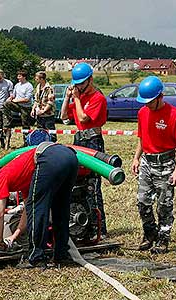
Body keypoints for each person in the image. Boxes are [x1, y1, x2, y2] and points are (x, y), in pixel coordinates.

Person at [0, 143, 78, 268]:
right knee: (60, 208)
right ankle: (61, 255)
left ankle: (36, 257)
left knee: (39, 209)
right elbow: (27, 211)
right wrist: (15, 235)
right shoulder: (22, 177)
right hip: (71, 157)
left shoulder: (0, 177)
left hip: (48, 158)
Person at [131, 76, 176, 254]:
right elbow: (142, 137)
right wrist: (136, 158)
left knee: (164, 204)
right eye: (145, 102)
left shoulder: (175, 115)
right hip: (147, 162)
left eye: (150, 101)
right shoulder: (142, 113)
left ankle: (163, 239)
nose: (147, 105)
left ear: (160, 97)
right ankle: (149, 234)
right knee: (142, 201)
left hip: (165, 163)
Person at [61, 62, 108, 236]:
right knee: (78, 183)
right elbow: (64, 116)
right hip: (79, 140)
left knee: (93, 186)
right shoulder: (79, 97)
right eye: (76, 84)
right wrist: (68, 98)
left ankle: (99, 228)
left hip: (93, 141)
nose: (78, 87)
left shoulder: (97, 98)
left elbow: (83, 118)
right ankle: (85, 224)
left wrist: (77, 99)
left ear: (90, 80)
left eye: (81, 83)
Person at [4, 70, 34, 148]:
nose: (18, 78)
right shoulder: (17, 85)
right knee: (6, 104)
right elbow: (13, 95)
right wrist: (9, 99)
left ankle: (26, 142)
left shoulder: (29, 86)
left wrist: (16, 100)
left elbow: (27, 99)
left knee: (25, 125)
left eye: (20, 76)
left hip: (25, 107)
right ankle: (9, 119)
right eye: (18, 76)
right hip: (17, 105)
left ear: (24, 77)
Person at [31, 71, 56, 142]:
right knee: (40, 133)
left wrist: (43, 111)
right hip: (39, 115)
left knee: (51, 134)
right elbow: (36, 100)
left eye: (37, 78)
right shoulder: (38, 87)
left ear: (42, 79)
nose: (35, 79)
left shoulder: (49, 88)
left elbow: (50, 102)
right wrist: (33, 109)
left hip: (48, 115)